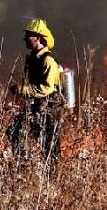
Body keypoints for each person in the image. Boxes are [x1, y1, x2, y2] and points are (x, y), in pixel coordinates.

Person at [6, 18, 64, 161]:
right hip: (36, 106)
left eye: (29, 35)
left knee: (49, 146)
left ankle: (51, 173)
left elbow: (47, 88)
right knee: (13, 132)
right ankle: (23, 163)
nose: (25, 39)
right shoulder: (33, 58)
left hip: (48, 108)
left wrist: (23, 90)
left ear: (38, 38)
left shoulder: (48, 60)